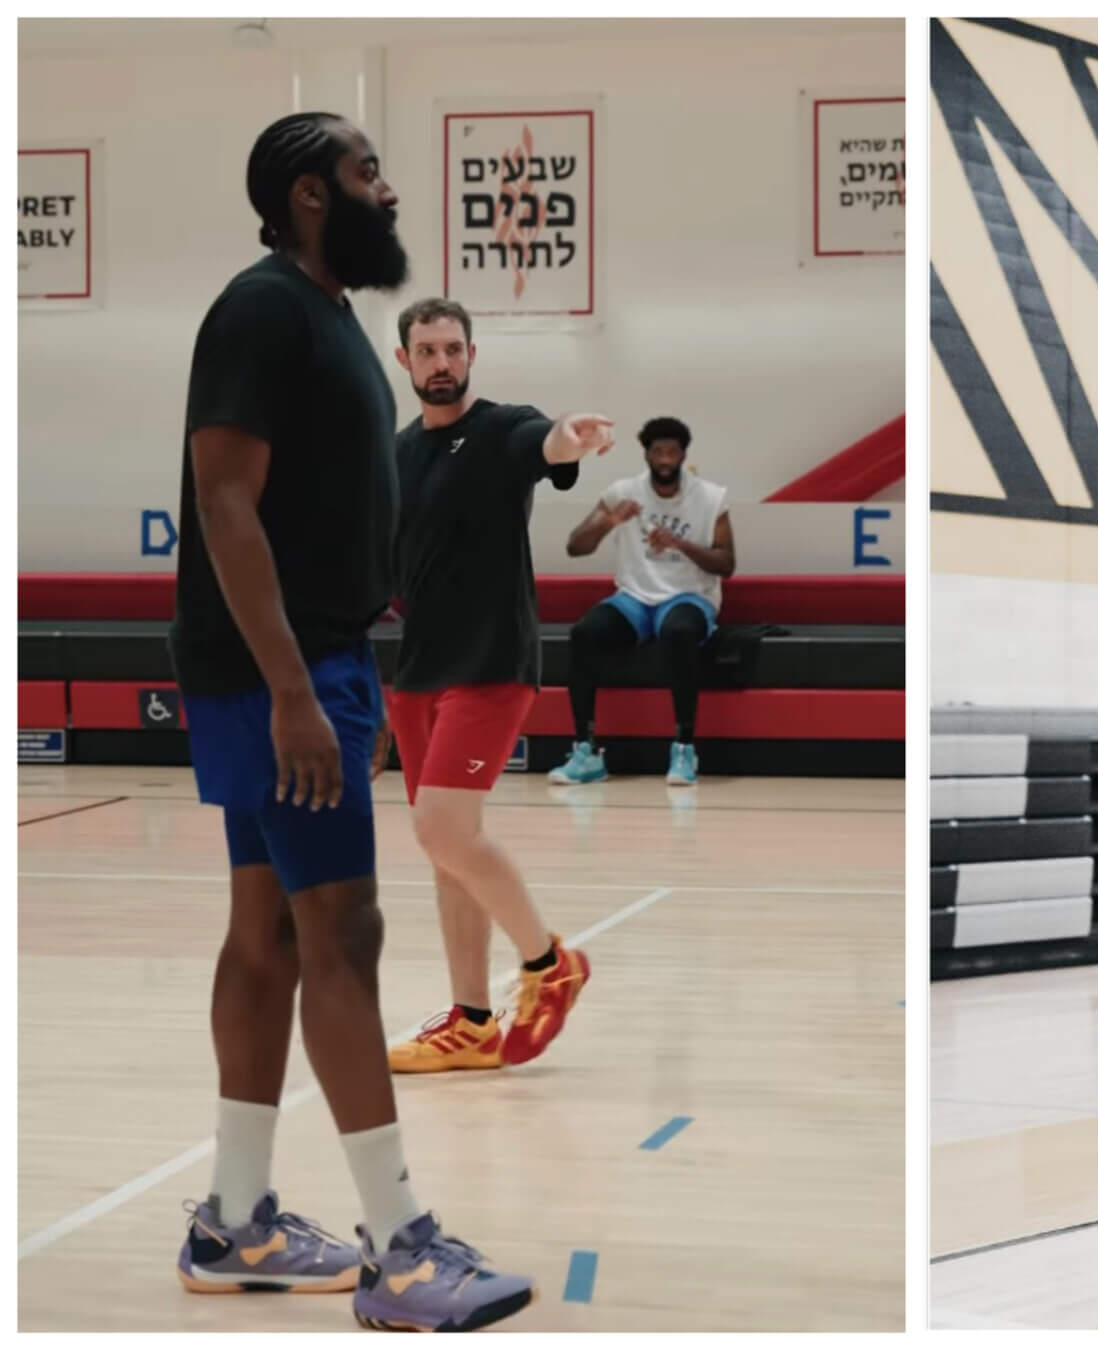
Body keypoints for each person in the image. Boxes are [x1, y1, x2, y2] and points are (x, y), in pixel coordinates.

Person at [169, 111, 532, 1332]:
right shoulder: (263, 309)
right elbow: (225, 500)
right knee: (347, 933)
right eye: (369, 172)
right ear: (312, 193)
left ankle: (235, 1220)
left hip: (305, 664)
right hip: (279, 671)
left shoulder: (322, 315)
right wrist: (290, 692)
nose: (390, 190)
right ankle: (401, 1249)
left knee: (267, 931)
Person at [382, 297, 610, 1075]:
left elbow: (542, 446)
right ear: (404, 362)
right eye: (426, 350)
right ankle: (472, 1021)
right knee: (445, 852)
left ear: (470, 356)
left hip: (490, 663)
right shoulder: (400, 453)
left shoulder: (506, 428)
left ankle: (549, 964)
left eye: (453, 348)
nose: (441, 361)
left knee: (443, 830)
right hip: (418, 672)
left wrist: (565, 437)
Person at [549, 417, 735, 787]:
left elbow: (726, 564)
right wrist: (609, 522)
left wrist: (680, 544)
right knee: (584, 634)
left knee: (679, 631)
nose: (665, 458)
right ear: (647, 455)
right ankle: (586, 752)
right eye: (658, 451)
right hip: (634, 598)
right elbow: (575, 546)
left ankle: (683, 748)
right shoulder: (623, 492)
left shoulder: (710, 497)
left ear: (683, 455)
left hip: (689, 597)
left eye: (672, 451)